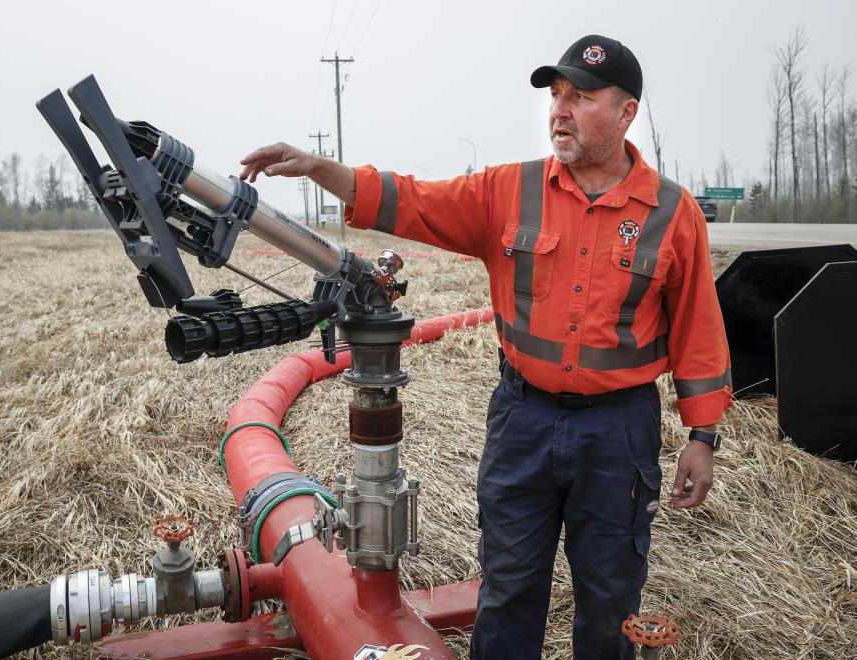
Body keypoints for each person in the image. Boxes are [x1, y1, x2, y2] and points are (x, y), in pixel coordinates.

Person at [240, 34, 732, 660]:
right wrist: (318, 168)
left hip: (619, 433)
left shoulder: (671, 212)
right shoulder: (508, 191)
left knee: (611, 600)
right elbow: (409, 200)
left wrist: (703, 435)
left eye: (581, 97)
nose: (559, 110)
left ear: (626, 112)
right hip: (522, 421)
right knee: (508, 591)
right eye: (556, 96)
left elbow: (698, 330)